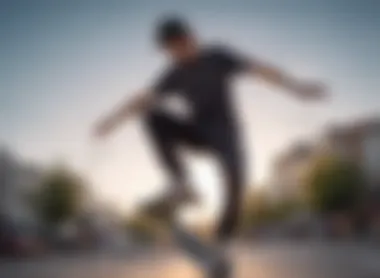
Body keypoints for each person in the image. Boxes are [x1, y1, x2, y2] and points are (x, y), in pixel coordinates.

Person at [93, 16, 327, 245]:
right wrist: (111, 122)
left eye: (176, 47)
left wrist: (298, 87)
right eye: (169, 51)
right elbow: (141, 99)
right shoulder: (174, 73)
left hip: (227, 138)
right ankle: (181, 183)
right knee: (151, 113)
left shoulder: (218, 56)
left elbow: (259, 70)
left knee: (235, 193)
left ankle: (222, 242)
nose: (174, 54)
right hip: (198, 134)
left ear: (189, 39)